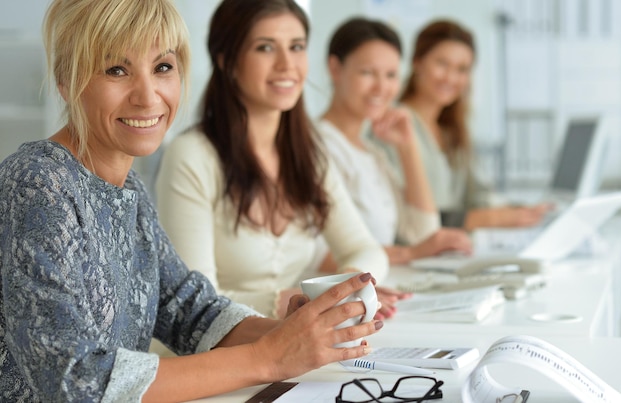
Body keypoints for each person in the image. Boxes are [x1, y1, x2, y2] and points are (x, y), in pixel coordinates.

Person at [0, 0, 383, 401]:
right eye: (116, 70)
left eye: (163, 67)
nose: (148, 97)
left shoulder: (129, 190)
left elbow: (190, 311)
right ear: (67, 80)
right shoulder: (36, 184)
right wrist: (269, 356)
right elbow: (75, 380)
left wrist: (297, 333)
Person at [155, 0, 398, 321]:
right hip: (220, 355)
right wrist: (297, 300)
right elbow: (194, 303)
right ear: (227, 60)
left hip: (295, 347)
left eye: (297, 47)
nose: (287, 64)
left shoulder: (309, 152)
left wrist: (348, 286)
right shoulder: (192, 155)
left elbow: (365, 249)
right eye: (265, 48)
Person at [316, 17, 472, 269]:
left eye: (391, 75)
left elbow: (423, 233)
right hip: (354, 294)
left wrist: (408, 148)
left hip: (386, 287)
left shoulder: (372, 152)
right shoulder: (317, 146)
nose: (381, 87)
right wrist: (410, 254)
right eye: (367, 73)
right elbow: (320, 256)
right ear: (335, 69)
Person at [397, 19, 550, 231]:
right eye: (442, 64)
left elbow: (477, 194)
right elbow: (402, 217)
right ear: (417, 62)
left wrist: (519, 210)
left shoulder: (450, 131)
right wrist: (492, 219)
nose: (451, 78)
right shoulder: (394, 126)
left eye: (462, 69)